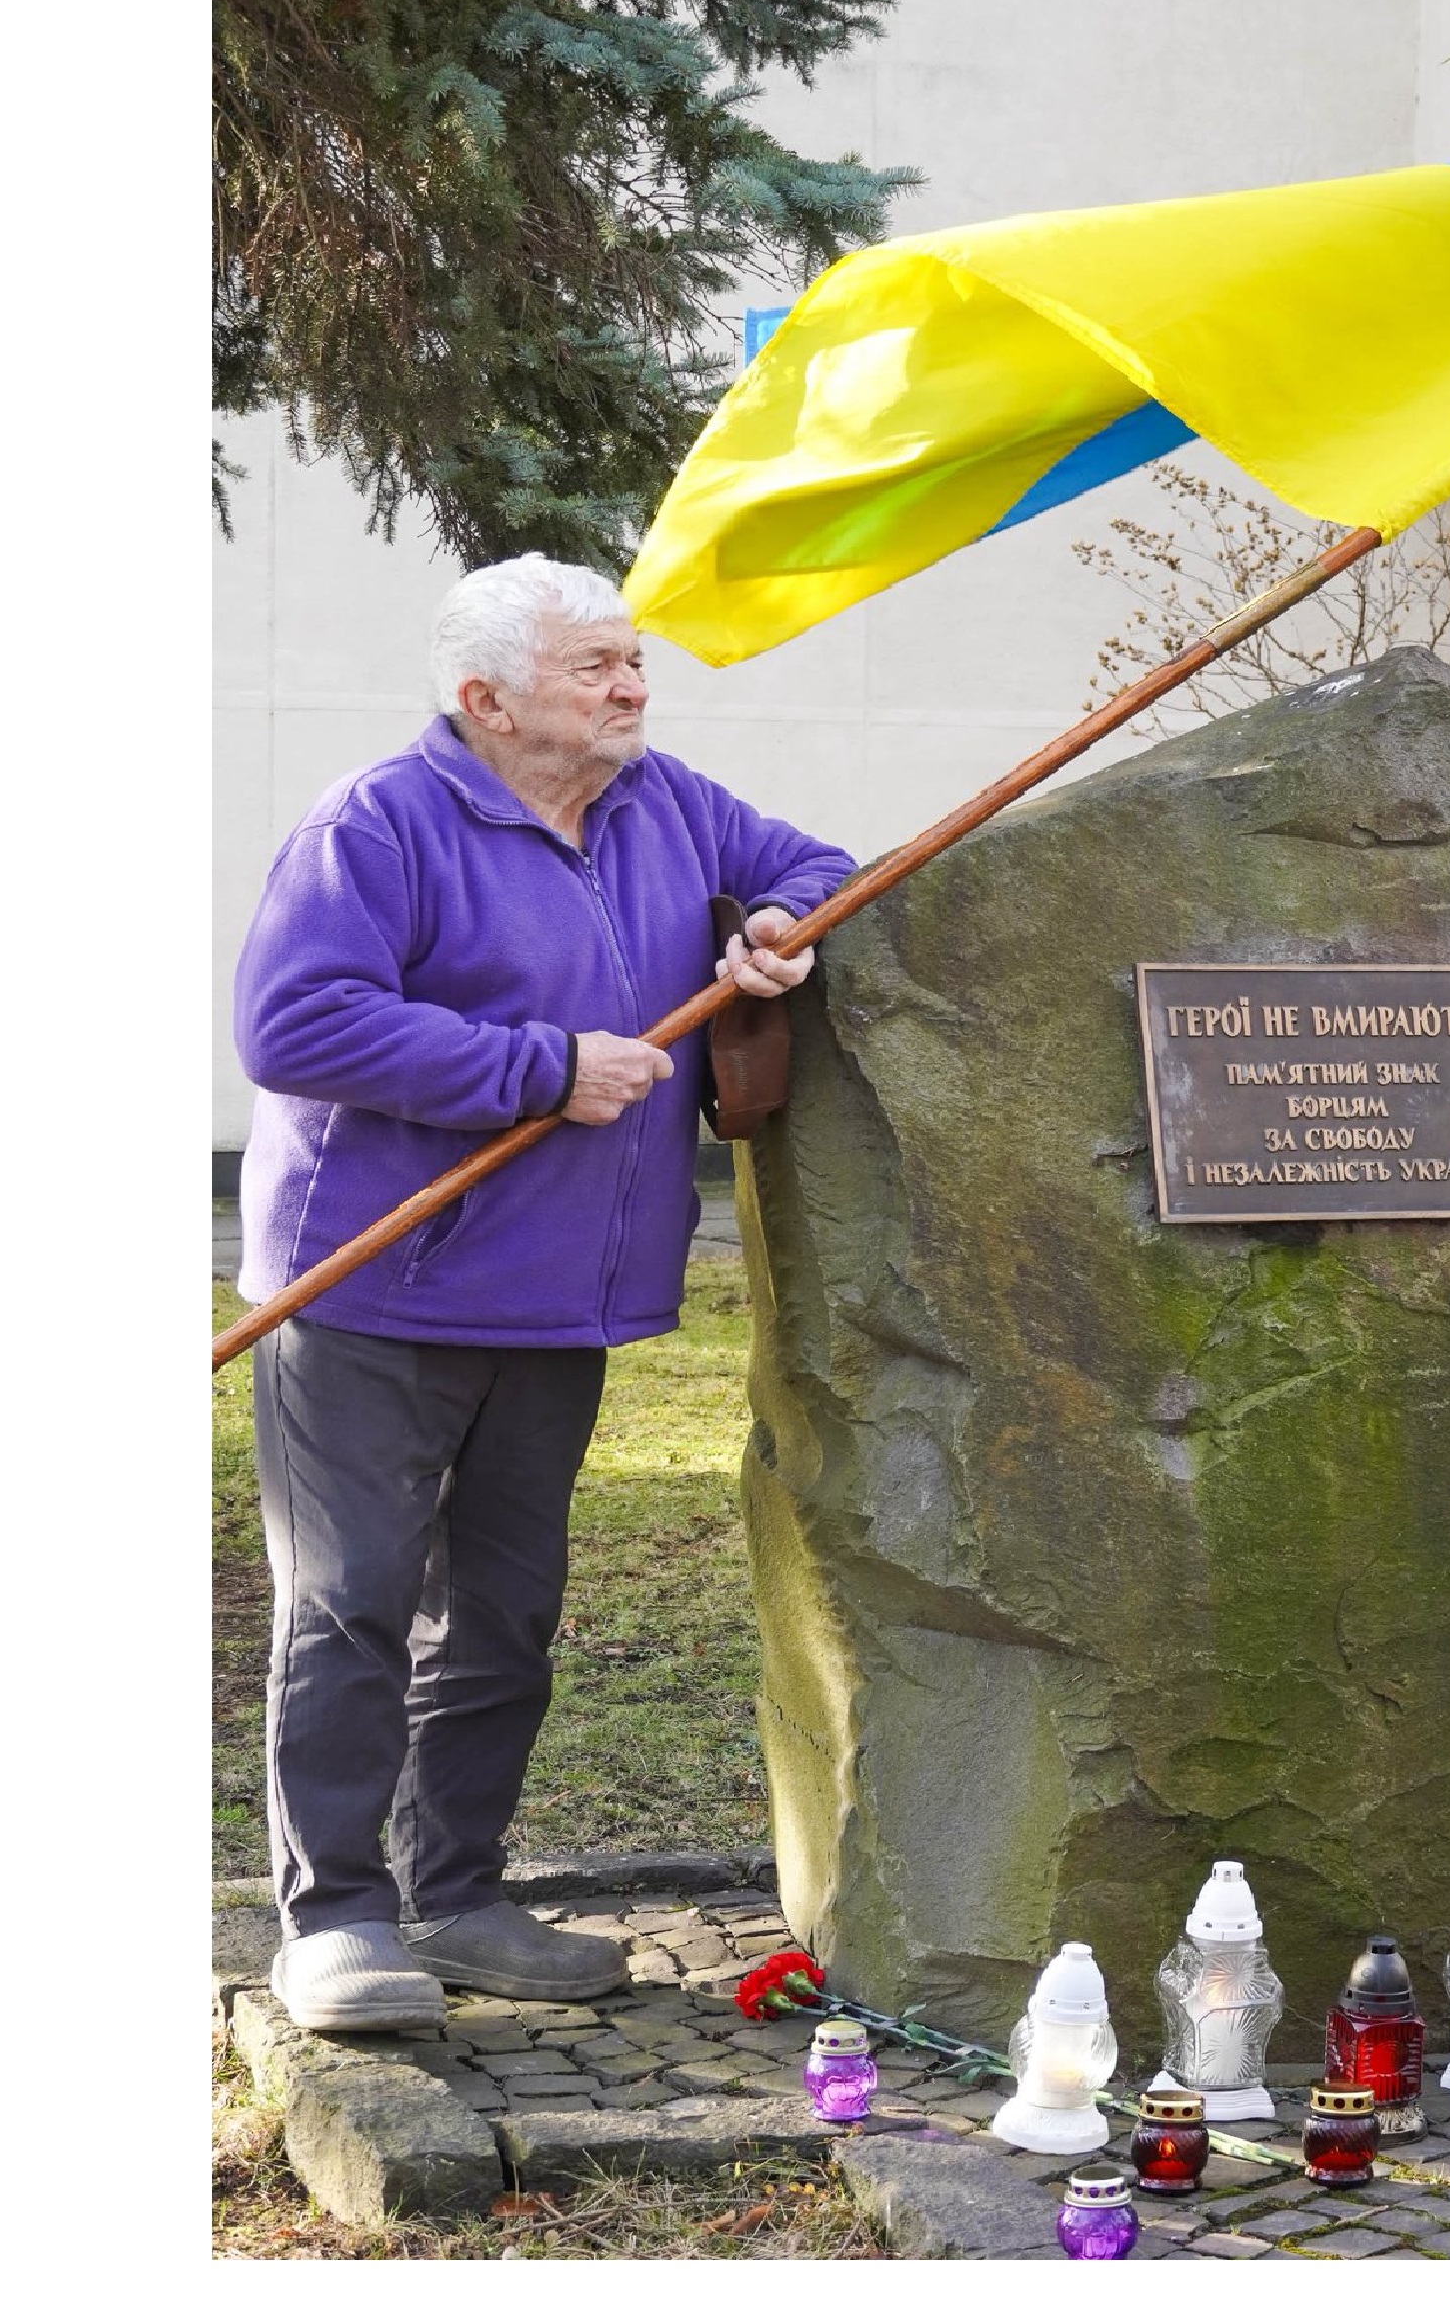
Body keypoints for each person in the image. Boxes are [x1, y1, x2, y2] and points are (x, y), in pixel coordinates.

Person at [232, 554, 855, 2034]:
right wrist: (541, 1066)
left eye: (633, 661)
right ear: (488, 699)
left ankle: (457, 1898)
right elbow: (294, 1023)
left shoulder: (667, 802)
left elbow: (823, 864)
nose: (633, 686)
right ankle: (335, 1918)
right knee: (351, 1605)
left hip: (559, 1301)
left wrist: (777, 926)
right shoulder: (378, 824)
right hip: (374, 1288)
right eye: (596, 667)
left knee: (504, 1616)